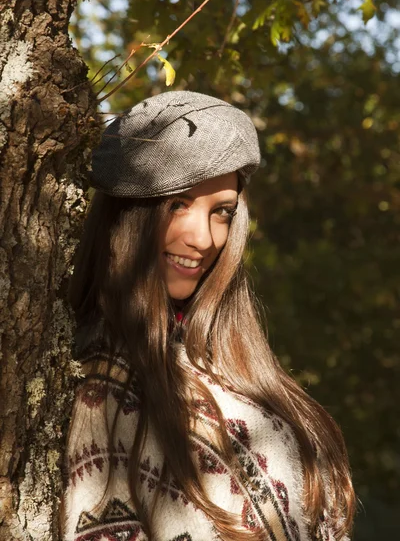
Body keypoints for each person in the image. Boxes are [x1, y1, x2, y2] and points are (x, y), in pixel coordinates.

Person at [62, 91, 355, 541]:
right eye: (178, 203)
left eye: (222, 212)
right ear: (127, 212)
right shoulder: (99, 394)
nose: (204, 238)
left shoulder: (228, 363)